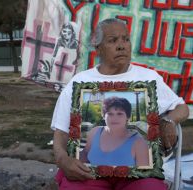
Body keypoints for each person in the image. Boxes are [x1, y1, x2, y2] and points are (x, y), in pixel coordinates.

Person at [51, 18, 189, 190]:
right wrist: (64, 160)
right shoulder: (80, 82)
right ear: (98, 48)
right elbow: (61, 132)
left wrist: (169, 121)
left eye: (125, 39)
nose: (122, 45)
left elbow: (182, 108)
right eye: (113, 40)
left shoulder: (149, 78)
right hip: (89, 175)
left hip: (136, 177)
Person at [80, 97, 149, 167]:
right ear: (103, 116)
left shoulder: (139, 143)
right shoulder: (94, 132)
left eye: (119, 114)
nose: (114, 118)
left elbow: (144, 173)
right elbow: (85, 153)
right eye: (110, 114)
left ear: (128, 117)